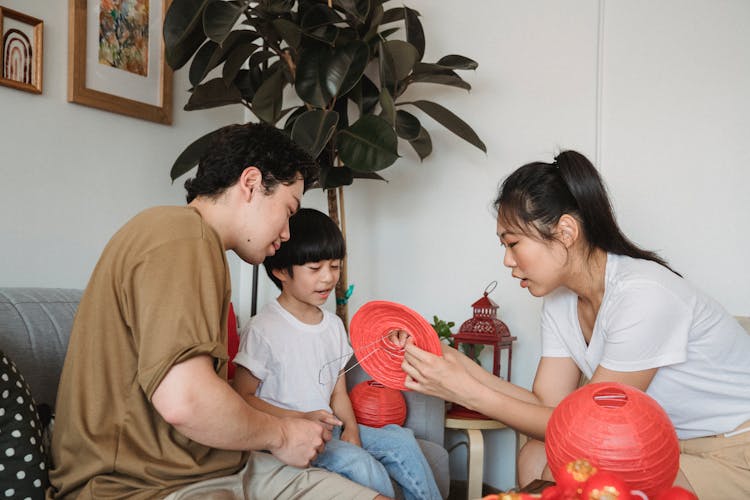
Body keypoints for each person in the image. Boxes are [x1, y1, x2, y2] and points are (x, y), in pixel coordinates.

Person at [48, 123, 384, 499]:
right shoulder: (179, 237)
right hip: (139, 486)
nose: (288, 233)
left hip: (222, 464)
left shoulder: (197, 245)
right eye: (288, 210)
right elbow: (185, 401)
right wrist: (283, 433)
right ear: (251, 183)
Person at [397, 150, 750, 499]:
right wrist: (454, 363)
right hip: (658, 444)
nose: (507, 260)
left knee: (574, 467)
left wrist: (464, 391)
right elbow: (548, 406)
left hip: (730, 451)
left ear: (566, 231)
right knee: (537, 453)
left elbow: (588, 432)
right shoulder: (561, 301)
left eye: (513, 243)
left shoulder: (644, 295)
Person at [231, 208, 441, 500]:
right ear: (281, 271)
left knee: (401, 440)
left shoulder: (333, 326)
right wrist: (299, 417)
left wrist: (352, 428)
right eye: (315, 269)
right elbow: (243, 397)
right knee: (360, 464)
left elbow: (337, 393)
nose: (329, 278)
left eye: (335, 266)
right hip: (291, 436)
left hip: (332, 429)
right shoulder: (263, 329)